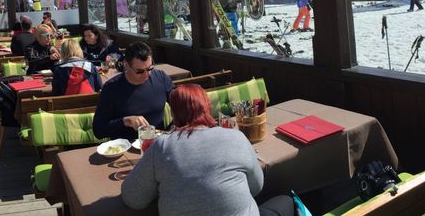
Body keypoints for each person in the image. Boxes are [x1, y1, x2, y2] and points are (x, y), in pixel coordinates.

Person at [122, 84, 295, 216]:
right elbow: (256, 187)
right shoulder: (236, 137)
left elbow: (133, 199)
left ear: (174, 115)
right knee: (287, 201)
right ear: (207, 108)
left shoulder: (162, 147)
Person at [93, 42, 173, 141]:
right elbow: (98, 130)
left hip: (157, 144)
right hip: (125, 147)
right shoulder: (111, 88)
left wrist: (172, 128)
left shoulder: (161, 78)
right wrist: (125, 121)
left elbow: (182, 105)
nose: (146, 75)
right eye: (140, 71)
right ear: (126, 65)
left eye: (150, 68)